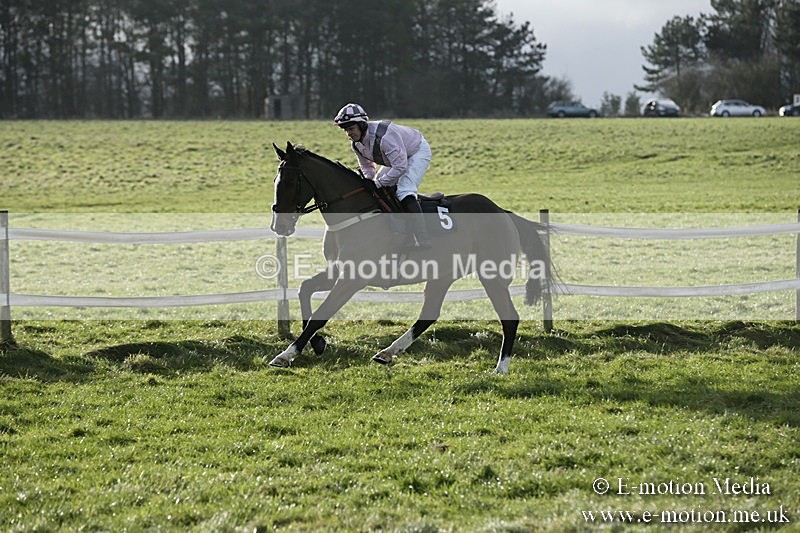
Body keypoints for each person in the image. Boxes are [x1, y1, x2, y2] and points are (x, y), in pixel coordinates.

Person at [334, 103, 432, 249]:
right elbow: (367, 166)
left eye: (351, 129)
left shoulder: (385, 138)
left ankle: (422, 238)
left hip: (416, 151)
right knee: (376, 191)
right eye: (346, 130)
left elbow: (400, 167)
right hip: (395, 159)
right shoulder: (356, 145)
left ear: (361, 125)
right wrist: (368, 180)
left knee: (405, 191)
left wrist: (377, 183)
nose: (349, 134)